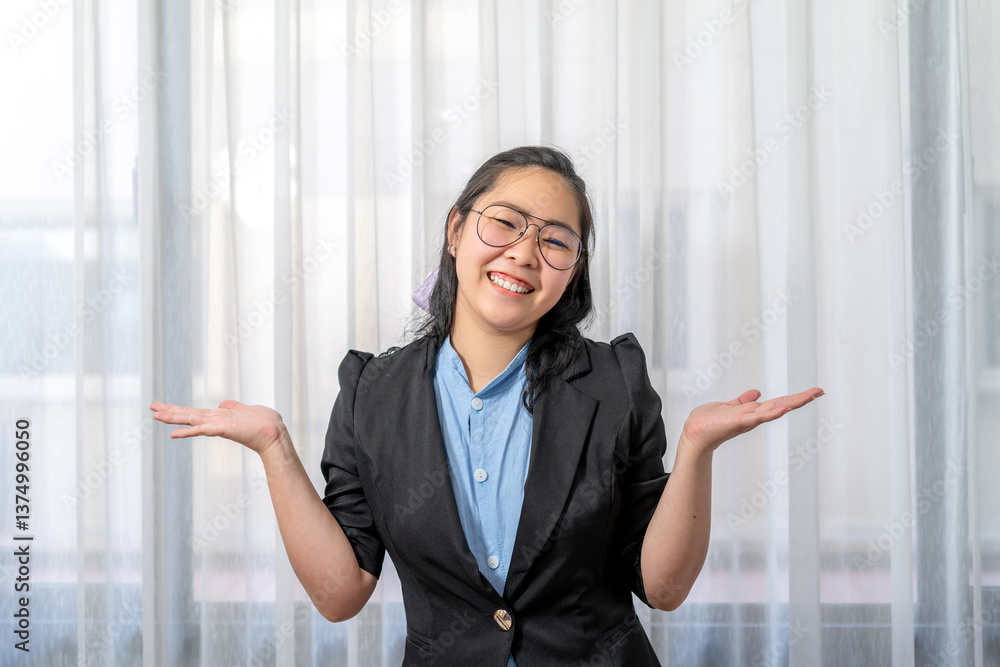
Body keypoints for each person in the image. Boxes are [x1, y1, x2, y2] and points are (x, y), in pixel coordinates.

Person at [150, 145, 823, 666]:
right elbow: (340, 593)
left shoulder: (614, 380)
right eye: (504, 222)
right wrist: (275, 448)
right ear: (456, 230)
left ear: (571, 272)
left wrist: (697, 449)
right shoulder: (371, 393)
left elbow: (662, 586)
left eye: (555, 240)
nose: (524, 252)